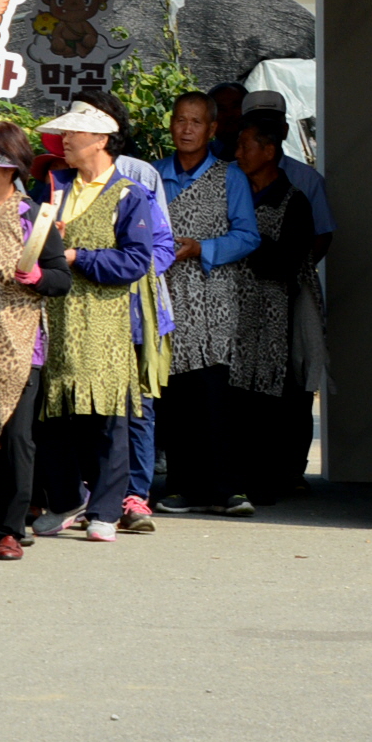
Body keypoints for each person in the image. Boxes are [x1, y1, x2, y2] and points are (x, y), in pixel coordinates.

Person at [32, 102, 168, 545]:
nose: (66, 141)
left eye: (75, 134)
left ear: (101, 140)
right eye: (64, 134)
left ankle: (107, 510)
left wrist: (75, 256)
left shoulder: (130, 194)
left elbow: (135, 260)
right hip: (56, 315)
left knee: (108, 416)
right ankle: (69, 497)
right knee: (53, 414)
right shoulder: (54, 188)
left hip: (107, 320)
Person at [0, 122, 71, 562]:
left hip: (24, 343)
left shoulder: (35, 217)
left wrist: (39, 277)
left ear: (10, 168)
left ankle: (11, 526)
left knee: (17, 438)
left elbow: (61, 278)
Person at [72, 88, 178, 532]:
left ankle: (135, 496)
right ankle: (88, 496)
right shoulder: (60, 179)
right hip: (80, 311)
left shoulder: (138, 177)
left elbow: (161, 245)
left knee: (137, 404)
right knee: (86, 400)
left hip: (135, 309)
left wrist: (127, 279)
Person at [153, 93, 260, 517]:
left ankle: (225, 488)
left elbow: (248, 236)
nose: (186, 129)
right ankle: (180, 486)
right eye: (180, 120)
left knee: (213, 394)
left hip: (212, 297)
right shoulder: (153, 176)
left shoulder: (229, 177)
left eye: (196, 122)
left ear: (212, 129)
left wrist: (203, 248)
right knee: (173, 396)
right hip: (165, 297)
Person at [232, 116, 321, 509]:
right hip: (234, 312)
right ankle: (237, 477)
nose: (238, 154)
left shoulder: (293, 201)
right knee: (237, 397)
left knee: (276, 396)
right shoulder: (234, 192)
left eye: (245, 147)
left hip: (275, 315)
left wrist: (246, 243)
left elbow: (288, 261)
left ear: (269, 152)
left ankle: (272, 478)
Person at [241, 89, 335, 263]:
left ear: (284, 131)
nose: (264, 135)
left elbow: (322, 236)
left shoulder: (308, 179)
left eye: (270, 128)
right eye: (256, 127)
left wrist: (293, 274)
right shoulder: (226, 176)